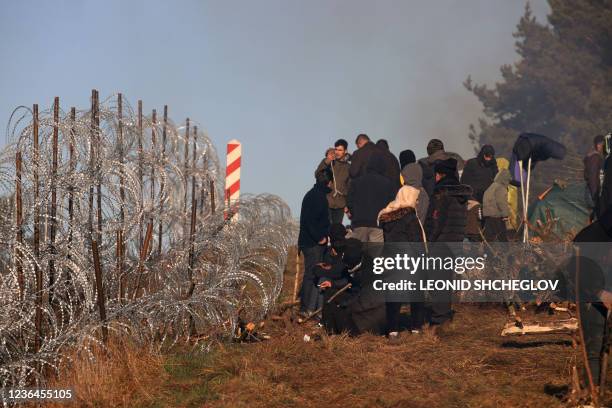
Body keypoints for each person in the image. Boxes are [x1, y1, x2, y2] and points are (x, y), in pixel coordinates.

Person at [425, 158, 471, 327]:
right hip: (455, 241)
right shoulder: (460, 194)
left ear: (441, 174)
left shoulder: (441, 192)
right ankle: (444, 315)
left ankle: (439, 319)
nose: (435, 177)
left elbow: (437, 220)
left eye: (437, 173)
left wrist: (430, 241)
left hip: (441, 242)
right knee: (446, 281)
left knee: (437, 281)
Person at [570, 206, 612, 391]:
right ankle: (591, 394)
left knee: (605, 347)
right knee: (594, 347)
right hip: (590, 297)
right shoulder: (589, 239)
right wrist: (600, 293)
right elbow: (578, 271)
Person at [378, 184, 426, 337]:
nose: (417, 202)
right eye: (416, 199)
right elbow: (416, 242)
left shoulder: (387, 217)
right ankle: (416, 328)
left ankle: (392, 330)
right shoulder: (410, 217)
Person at [318, 238, 387, 335]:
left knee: (340, 311)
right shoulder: (357, 261)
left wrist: (344, 304)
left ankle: (337, 331)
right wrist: (333, 284)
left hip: (367, 315)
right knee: (330, 294)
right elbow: (349, 280)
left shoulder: (370, 273)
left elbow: (362, 299)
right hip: (357, 302)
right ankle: (328, 328)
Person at [297, 168, 333, 315]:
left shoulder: (313, 195)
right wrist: (320, 238)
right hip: (313, 244)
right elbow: (310, 221)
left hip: (308, 242)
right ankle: (306, 308)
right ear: (329, 182)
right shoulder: (318, 197)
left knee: (311, 273)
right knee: (312, 274)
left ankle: (308, 307)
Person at [346, 154, 396, 243]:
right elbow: (391, 204)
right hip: (378, 224)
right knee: (375, 255)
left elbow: (349, 201)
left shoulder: (356, 182)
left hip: (359, 223)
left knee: (357, 252)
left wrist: (355, 214)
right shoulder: (387, 183)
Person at [315, 139, 351, 224]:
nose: (337, 152)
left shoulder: (349, 167)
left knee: (336, 230)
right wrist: (327, 160)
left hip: (340, 204)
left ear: (345, 151)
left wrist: (348, 206)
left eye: (340, 150)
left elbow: (350, 187)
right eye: (336, 149)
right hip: (327, 201)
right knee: (326, 228)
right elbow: (317, 174)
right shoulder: (328, 162)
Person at [482, 168, 511, 242]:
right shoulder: (501, 187)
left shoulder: (493, 185)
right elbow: (501, 202)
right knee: (502, 236)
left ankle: (487, 252)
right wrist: (505, 215)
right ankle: (506, 252)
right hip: (496, 214)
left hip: (488, 214)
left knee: (489, 236)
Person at [584, 135, 605, 221]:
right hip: (593, 193)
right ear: (598, 145)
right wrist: (595, 196)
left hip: (593, 192)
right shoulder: (595, 158)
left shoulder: (596, 157)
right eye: (603, 144)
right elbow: (593, 178)